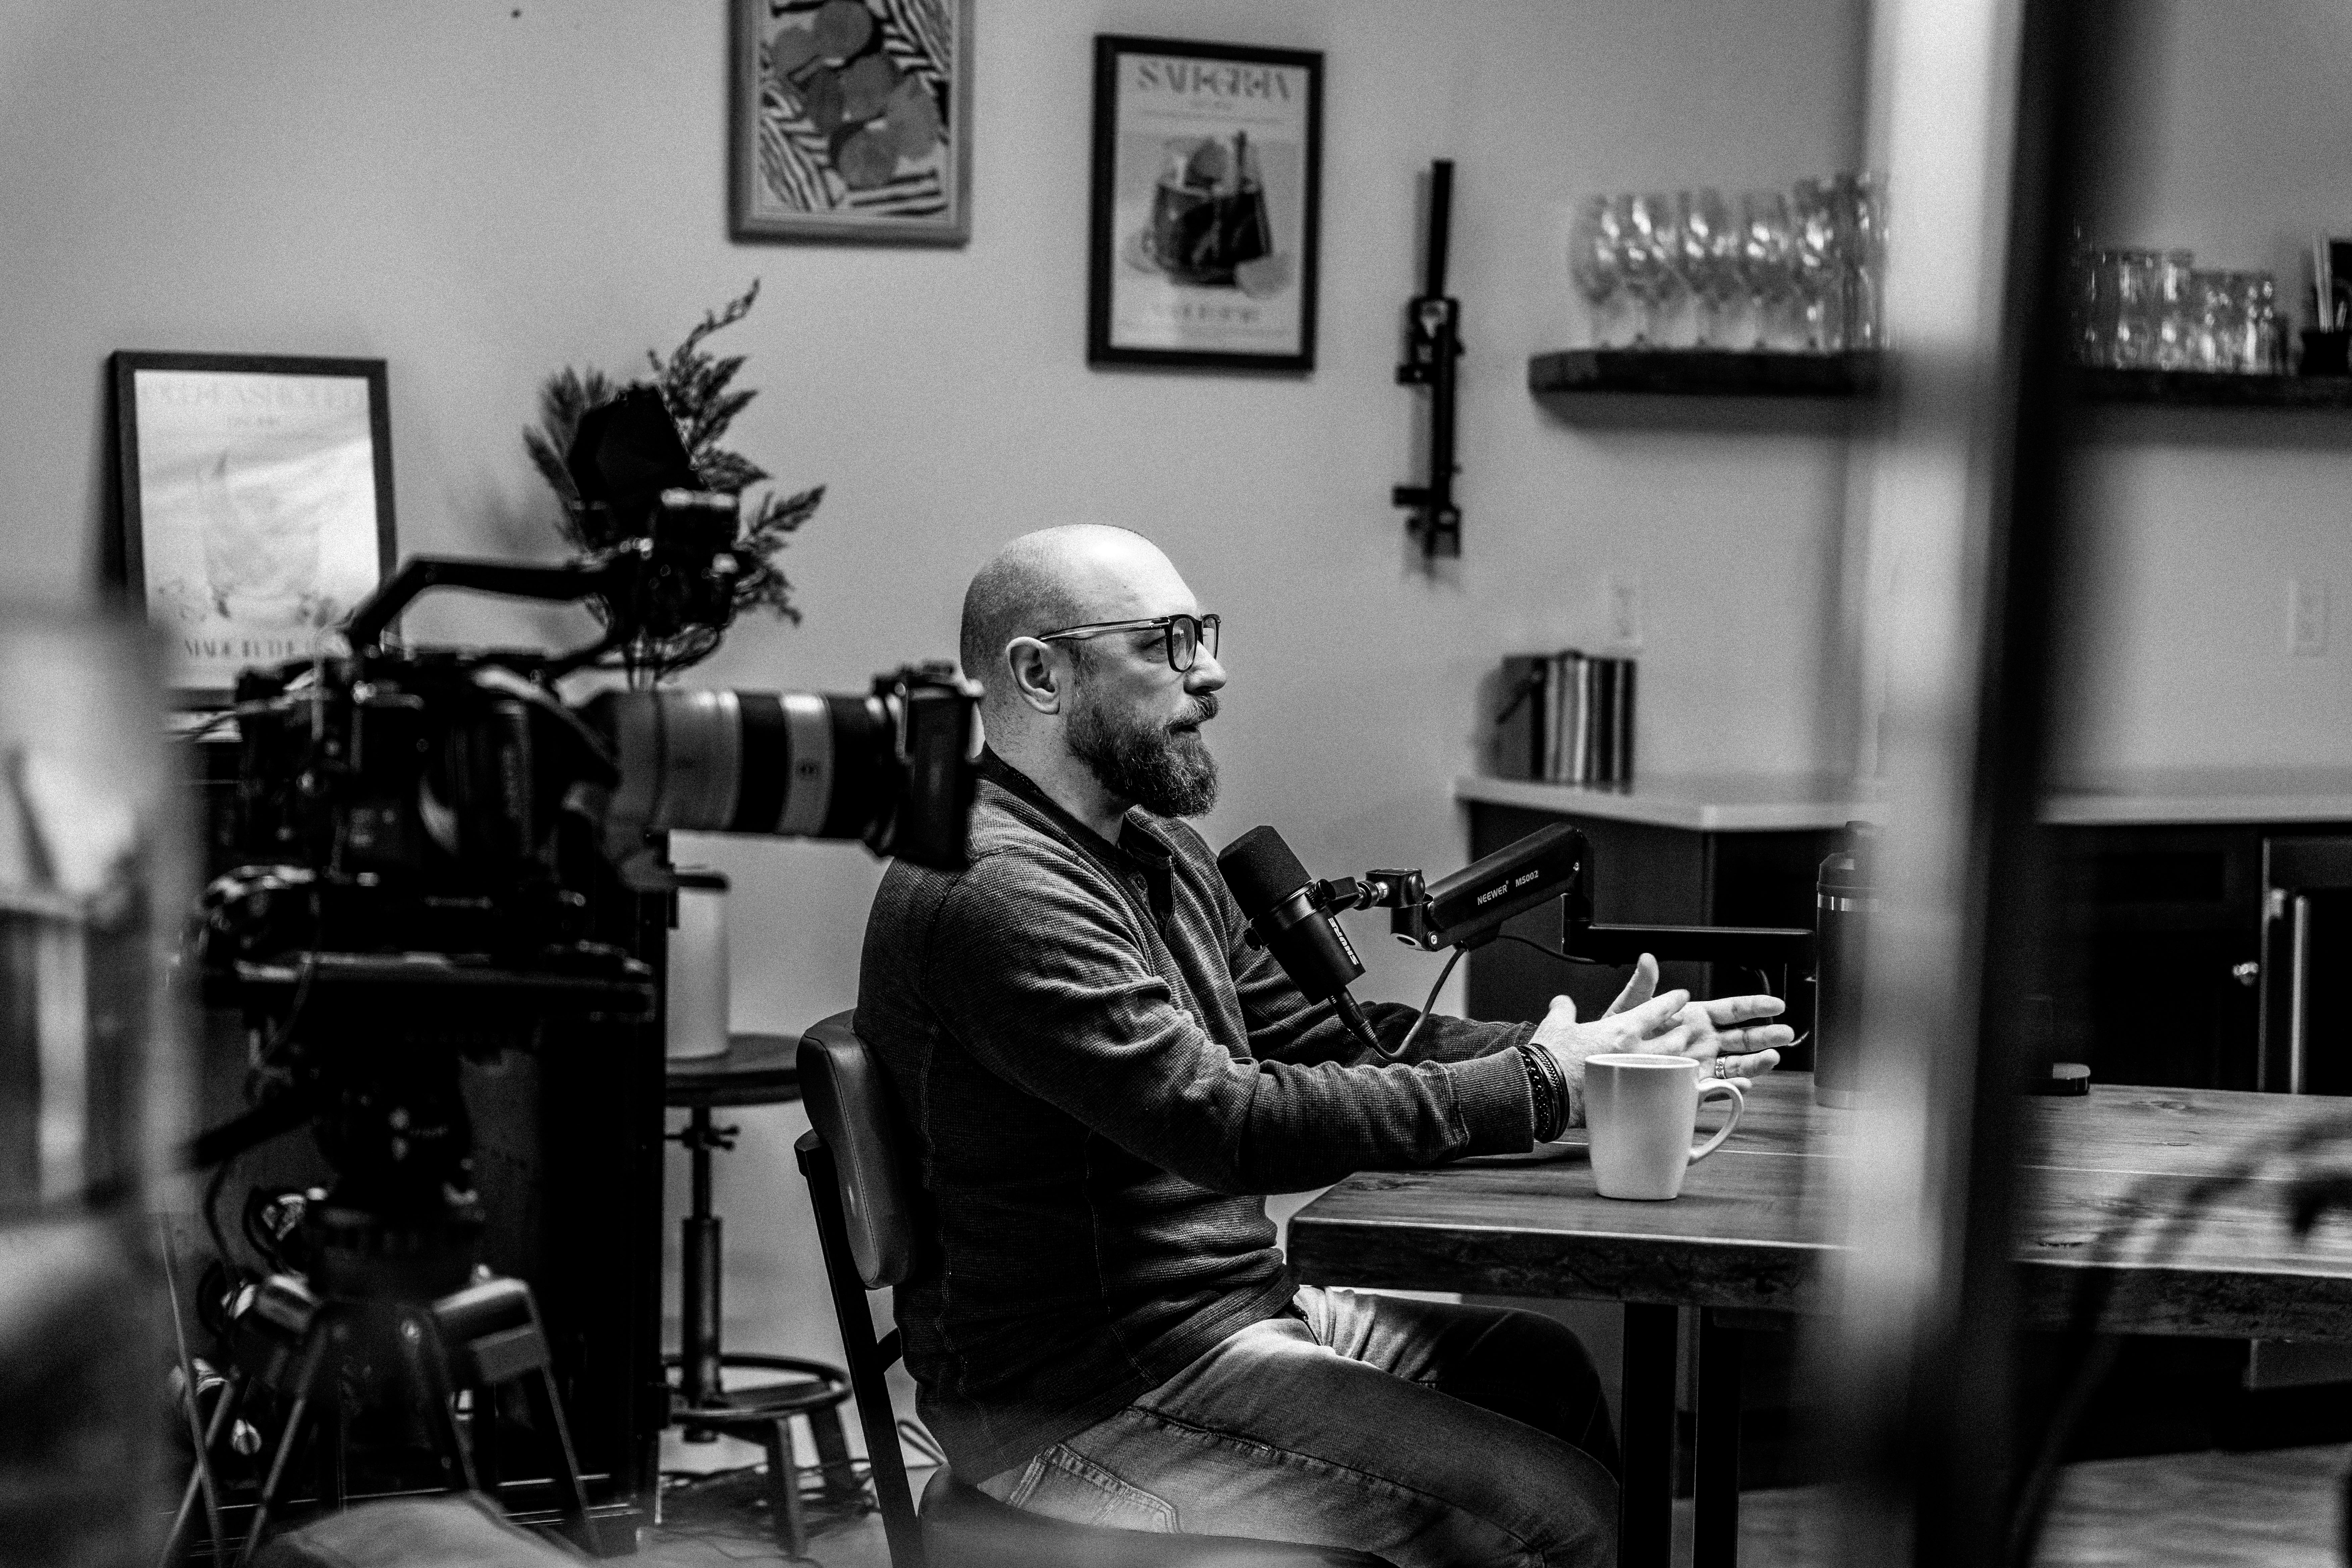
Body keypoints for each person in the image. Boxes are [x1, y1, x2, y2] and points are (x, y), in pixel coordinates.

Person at [854, 525, 1790, 1565]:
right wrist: (1538, 1085)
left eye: (1203, 634)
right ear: (1040, 675)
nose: (1212, 672)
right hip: (1085, 1397)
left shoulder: (1159, 852)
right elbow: (1226, 1123)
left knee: (1540, 1371)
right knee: (1558, 1517)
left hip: (1226, 1319)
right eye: (1165, 643)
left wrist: (1597, 1054)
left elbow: (1323, 1036)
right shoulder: (994, 886)